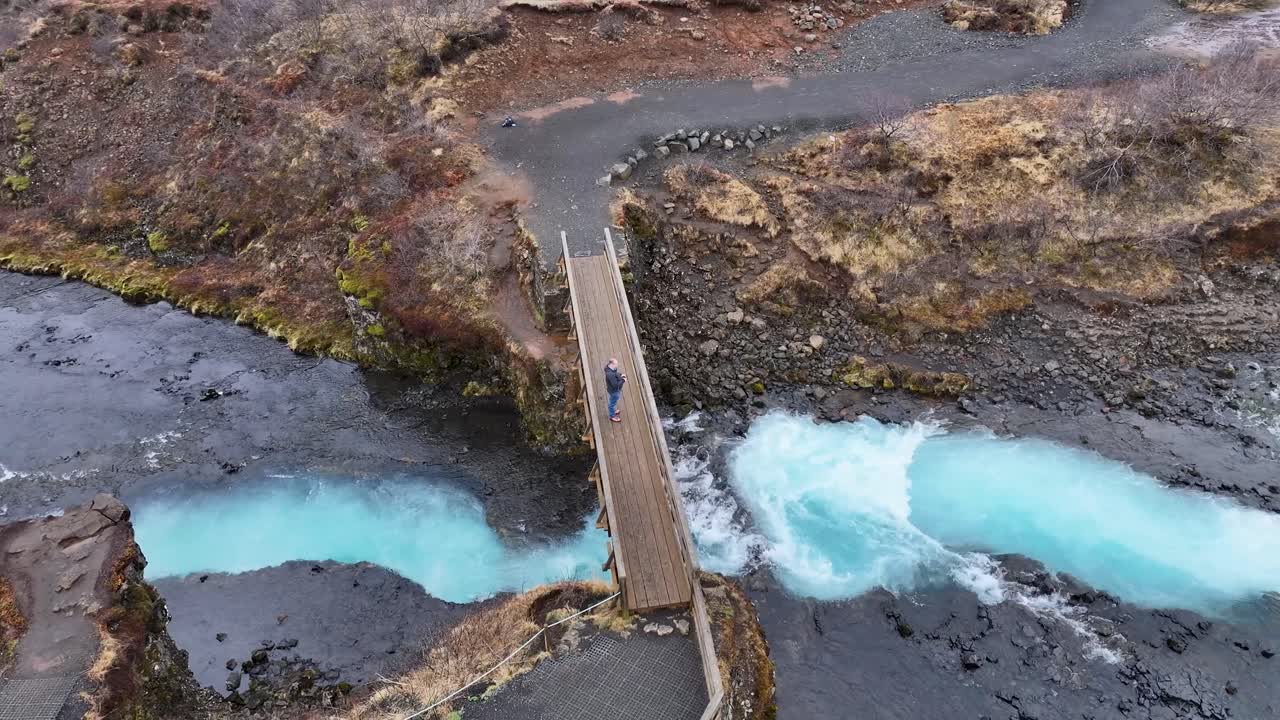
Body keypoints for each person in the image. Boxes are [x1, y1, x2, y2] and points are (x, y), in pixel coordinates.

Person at [604, 358, 626, 423]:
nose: (617, 365)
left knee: (613, 402)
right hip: (614, 391)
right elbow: (615, 385)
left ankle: (613, 411)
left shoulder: (610, 368)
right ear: (612, 364)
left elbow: (615, 373)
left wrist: (620, 375)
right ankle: (612, 416)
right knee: (611, 404)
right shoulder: (610, 374)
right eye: (616, 364)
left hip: (613, 390)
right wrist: (623, 380)